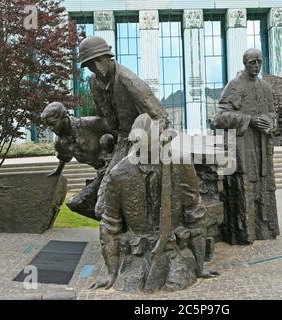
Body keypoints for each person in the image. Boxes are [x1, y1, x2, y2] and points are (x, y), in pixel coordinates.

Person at [90, 114, 217, 292]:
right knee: (130, 284)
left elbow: (194, 213)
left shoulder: (180, 163)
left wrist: (200, 266)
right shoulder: (118, 174)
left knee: (176, 283)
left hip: (174, 250)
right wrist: (111, 273)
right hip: (136, 253)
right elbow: (109, 225)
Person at [77, 36, 169, 218]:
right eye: (89, 65)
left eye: (96, 62)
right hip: (120, 142)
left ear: (105, 57)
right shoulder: (95, 83)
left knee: (117, 186)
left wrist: (153, 146)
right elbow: (103, 117)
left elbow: (159, 115)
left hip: (141, 143)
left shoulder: (128, 80)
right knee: (101, 200)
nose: (93, 68)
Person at [212, 48, 279, 244]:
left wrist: (270, 122)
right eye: (252, 62)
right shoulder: (235, 85)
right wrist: (249, 120)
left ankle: (265, 229)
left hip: (263, 146)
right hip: (243, 146)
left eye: (259, 61)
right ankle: (244, 233)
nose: (256, 65)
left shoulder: (265, 87)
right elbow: (219, 119)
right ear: (245, 63)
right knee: (244, 189)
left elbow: (273, 114)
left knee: (265, 186)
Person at [41, 102, 115, 220]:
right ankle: (114, 223)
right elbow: (64, 157)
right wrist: (58, 170)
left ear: (64, 116)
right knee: (76, 203)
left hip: (117, 166)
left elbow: (122, 134)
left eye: (53, 124)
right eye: (48, 126)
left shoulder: (92, 123)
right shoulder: (60, 143)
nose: (51, 129)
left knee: (102, 206)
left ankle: (114, 224)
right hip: (102, 174)